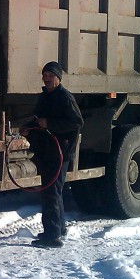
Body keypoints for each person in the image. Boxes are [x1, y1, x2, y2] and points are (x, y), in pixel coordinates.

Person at [20, 61, 84, 248]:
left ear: (58, 78)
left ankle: (52, 236)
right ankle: (59, 229)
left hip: (59, 152)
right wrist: (28, 128)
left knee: (50, 193)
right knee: (55, 192)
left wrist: (50, 124)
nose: (46, 78)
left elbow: (76, 123)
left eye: (50, 75)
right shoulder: (44, 97)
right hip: (47, 151)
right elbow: (37, 119)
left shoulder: (65, 98)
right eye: (44, 75)